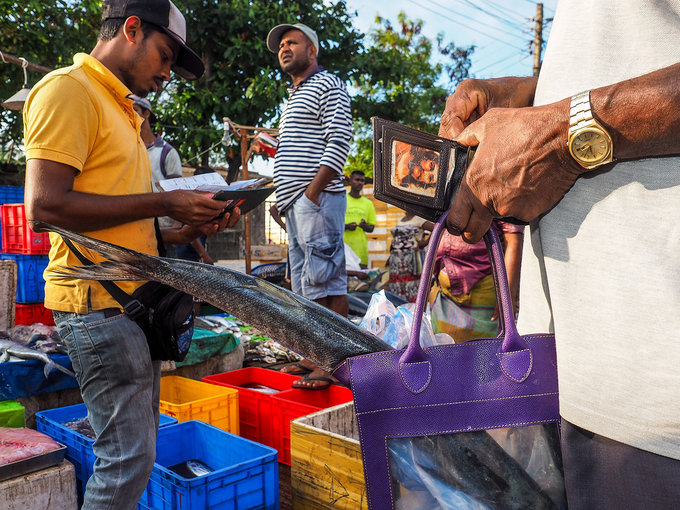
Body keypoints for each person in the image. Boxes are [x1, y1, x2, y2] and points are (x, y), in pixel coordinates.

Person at [438, 1, 680, 507]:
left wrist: (561, 134)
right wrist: (530, 96)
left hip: (655, 395)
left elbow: (585, 118)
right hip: (567, 374)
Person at [22, 2, 240, 508]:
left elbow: (129, 227)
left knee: (135, 457)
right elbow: (44, 205)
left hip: (129, 298)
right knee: (127, 460)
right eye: (164, 57)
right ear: (131, 29)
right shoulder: (68, 90)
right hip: (96, 303)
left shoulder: (121, 111)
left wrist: (187, 225)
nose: (166, 74)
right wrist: (166, 200)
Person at [266, 22, 352, 389]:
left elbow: (340, 137)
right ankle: (313, 355)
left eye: (292, 42)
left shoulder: (328, 84)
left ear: (311, 50)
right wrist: (283, 199)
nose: (284, 48)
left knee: (327, 280)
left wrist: (311, 193)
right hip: (296, 203)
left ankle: (335, 361)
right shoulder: (294, 95)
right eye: (281, 45)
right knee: (305, 285)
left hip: (316, 199)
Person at [428, 220, 523, 342]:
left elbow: (513, 240)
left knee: (484, 352)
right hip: (443, 292)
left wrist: (507, 296)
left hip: (483, 290)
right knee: (446, 351)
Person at [387, 212, 433, 302]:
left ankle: (414, 312)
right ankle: (400, 309)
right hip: (396, 261)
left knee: (413, 286)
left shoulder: (419, 219)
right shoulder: (401, 219)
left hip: (411, 259)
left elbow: (436, 229)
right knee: (397, 286)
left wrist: (425, 243)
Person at [344, 170, 376, 269]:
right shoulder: (342, 200)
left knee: (362, 281)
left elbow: (371, 228)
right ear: (350, 181)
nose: (360, 183)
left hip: (360, 251)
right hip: (343, 249)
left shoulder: (368, 203)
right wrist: (346, 226)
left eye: (362, 181)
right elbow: (332, 225)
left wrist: (365, 226)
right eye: (357, 180)